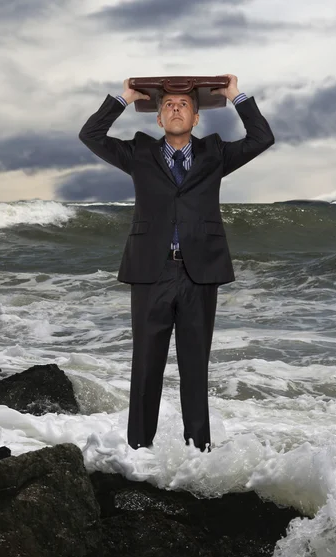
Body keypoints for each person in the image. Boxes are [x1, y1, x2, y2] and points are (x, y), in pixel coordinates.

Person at [79, 74, 274, 452]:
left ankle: (198, 452)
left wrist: (235, 94)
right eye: (168, 104)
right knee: (146, 367)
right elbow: (91, 135)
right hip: (151, 273)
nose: (175, 109)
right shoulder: (138, 153)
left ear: (196, 117)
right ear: (158, 119)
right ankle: (138, 451)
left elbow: (262, 137)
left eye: (184, 104)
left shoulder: (215, 154)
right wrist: (124, 97)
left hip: (199, 273)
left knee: (194, 367)